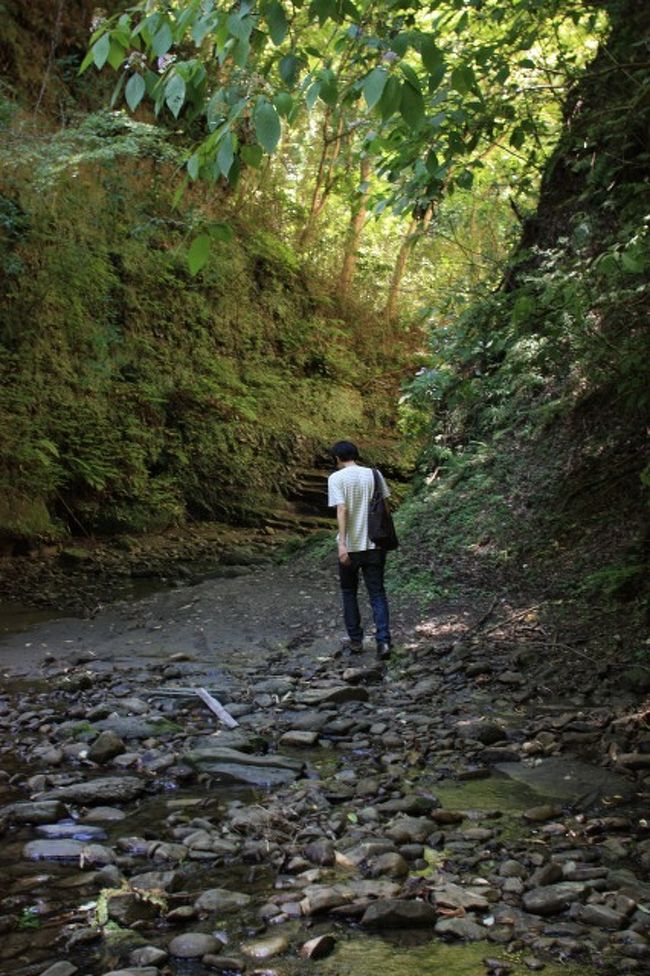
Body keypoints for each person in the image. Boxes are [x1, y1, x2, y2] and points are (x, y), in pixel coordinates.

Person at [327, 440, 392, 659]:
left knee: (349, 592)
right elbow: (384, 507)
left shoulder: (336, 478)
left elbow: (342, 509)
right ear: (356, 454)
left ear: (337, 458)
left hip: (352, 547)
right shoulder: (375, 474)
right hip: (375, 543)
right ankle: (384, 642)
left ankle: (356, 640)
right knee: (377, 593)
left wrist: (343, 544)